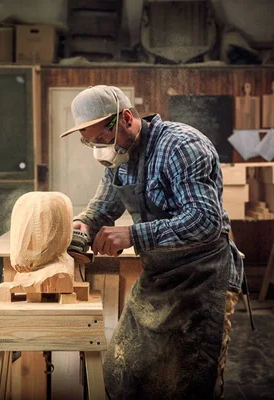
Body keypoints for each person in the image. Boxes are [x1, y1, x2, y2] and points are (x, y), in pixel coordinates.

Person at [60, 85, 245, 399]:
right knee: (125, 370)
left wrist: (132, 235)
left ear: (126, 118)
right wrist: (85, 224)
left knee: (189, 382)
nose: (98, 149)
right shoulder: (120, 157)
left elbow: (204, 221)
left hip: (203, 277)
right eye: (88, 142)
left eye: (102, 139)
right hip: (159, 275)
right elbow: (104, 205)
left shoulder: (182, 146)